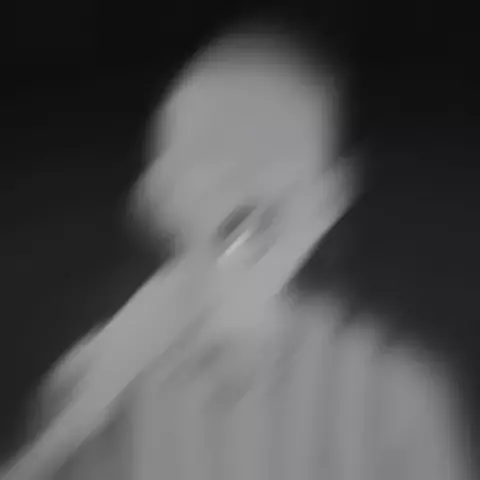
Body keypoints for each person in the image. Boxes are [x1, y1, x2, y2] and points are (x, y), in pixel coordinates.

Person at [1, 16, 473, 480]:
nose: (247, 188)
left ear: (329, 198)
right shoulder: (103, 392)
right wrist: (72, 420)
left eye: (277, 151)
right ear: (158, 195)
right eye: (212, 153)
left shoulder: (394, 396)